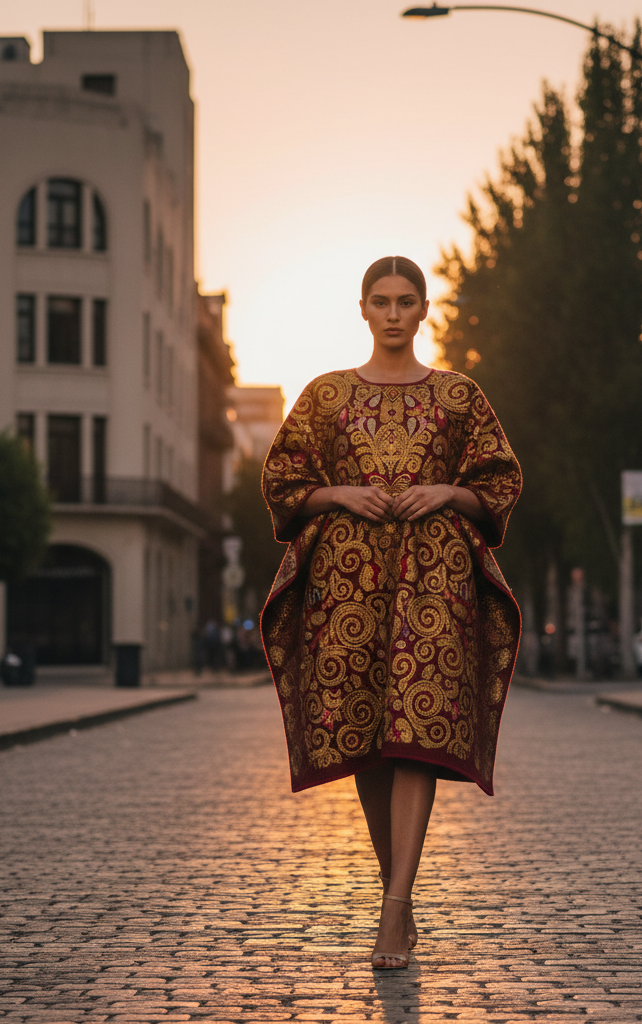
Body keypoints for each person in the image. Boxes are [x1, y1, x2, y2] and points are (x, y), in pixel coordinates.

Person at [260, 255, 521, 970]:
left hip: (437, 584)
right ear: (364, 309)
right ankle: (396, 893)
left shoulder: (461, 396)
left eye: (408, 300)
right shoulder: (325, 396)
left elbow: (498, 480)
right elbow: (283, 480)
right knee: (367, 741)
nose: (395, 312)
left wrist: (447, 493)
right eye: (382, 300)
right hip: (347, 587)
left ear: (425, 309)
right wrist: (339, 494)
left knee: (417, 736)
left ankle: (392, 912)